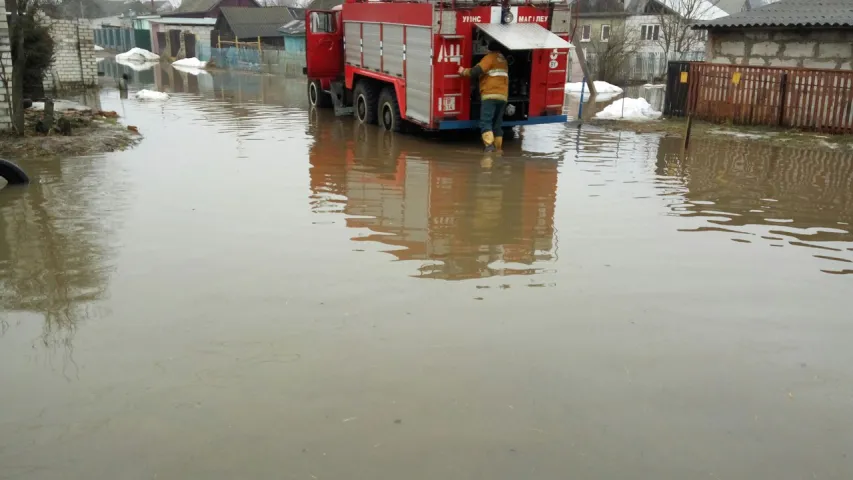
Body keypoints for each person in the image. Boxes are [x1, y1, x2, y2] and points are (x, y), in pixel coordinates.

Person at [458, 39, 508, 152]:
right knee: (497, 124)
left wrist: (463, 71)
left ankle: (489, 146)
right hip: (503, 96)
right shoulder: (503, 60)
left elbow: (476, 71)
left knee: (486, 121)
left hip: (490, 95)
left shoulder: (489, 58)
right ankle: (499, 149)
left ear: (489, 48)